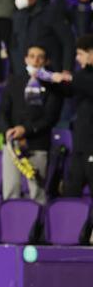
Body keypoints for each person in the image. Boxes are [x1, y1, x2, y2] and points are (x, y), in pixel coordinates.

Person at [0, 46, 63, 202]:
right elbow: (3, 111)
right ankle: (12, 225)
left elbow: (50, 118)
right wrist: (8, 130)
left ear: (46, 61)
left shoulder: (54, 87)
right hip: (12, 145)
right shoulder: (14, 81)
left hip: (38, 144)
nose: (35, 60)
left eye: (40, 57)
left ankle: (38, 225)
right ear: (25, 59)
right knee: (10, 191)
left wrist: (25, 130)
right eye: (32, 56)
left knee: (37, 193)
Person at [51, 35, 93, 196]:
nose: (77, 58)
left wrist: (70, 79)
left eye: (81, 54)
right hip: (81, 142)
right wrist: (49, 80)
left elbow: (83, 85)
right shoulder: (82, 74)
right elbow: (68, 91)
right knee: (71, 190)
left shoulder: (81, 78)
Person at [12, 0, 75, 74]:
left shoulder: (50, 12)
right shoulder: (19, 15)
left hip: (51, 72)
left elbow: (68, 41)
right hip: (27, 72)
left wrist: (67, 69)